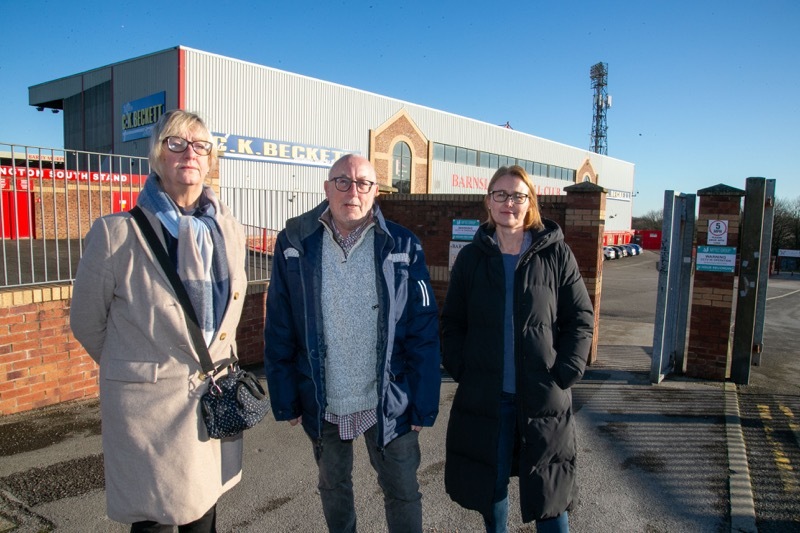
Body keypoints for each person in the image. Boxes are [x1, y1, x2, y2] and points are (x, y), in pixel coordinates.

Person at [70, 110, 248, 532]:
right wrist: (139, 369)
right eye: (176, 143)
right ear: (156, 156)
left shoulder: (230, 232)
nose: (190, 152)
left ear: (210, 160)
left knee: (204, 514)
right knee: (155, 522)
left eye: (201, 145)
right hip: (149, 414)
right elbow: (86, 322)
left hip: (210, 403)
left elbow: (226, 320)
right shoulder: (116, 234)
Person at [263, 154, 441, 533]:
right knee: (333, 487)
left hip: (389, 398)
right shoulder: (294, 242)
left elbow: (424, 330)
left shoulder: (403, 245)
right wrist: (284, 397)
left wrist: (423, 403)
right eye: (342, 181)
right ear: (327, 188)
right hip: (322, 396)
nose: (352, 191)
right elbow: (279, 324)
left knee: (403, 492)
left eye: (363, 183)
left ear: (376, 192)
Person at [441, 165, 594, 533]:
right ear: (489, 202)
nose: (509, 202)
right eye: (501, 195)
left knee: (550, 494)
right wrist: (464, 368)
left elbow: (580, 317)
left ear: (530, 203)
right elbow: (452, 322)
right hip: (487, 397)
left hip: (543, 396)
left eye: (518, 196)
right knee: (491, 488)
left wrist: (566, 370)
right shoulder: (472, 258)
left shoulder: (556, 254)